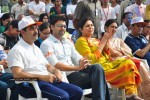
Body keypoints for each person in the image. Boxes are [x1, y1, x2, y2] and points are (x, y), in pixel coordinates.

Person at [7, 16, 83, 100]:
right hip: (29, 84)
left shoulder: (35, 47)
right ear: (23, 32)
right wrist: (41, 77)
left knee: (77, 91)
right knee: (63, 96)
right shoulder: (17, 50)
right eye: (32, 29)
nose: (36, 31)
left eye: (36, 28)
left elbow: (47, 65)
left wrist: (55, 70)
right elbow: (17, 74)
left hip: (45, 80)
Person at [40, 16, 110, 100]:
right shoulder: (47, 44)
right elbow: (56, 65)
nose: (63, 28)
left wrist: (84, 62)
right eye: (60, 26)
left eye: (64, 26)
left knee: (97, 67)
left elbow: (78, 57)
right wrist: (77, 67)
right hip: (64, 76)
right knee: (99, 78)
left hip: (76, 73)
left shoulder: (67, 42)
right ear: (52, 27)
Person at [75, 17, 143, 100]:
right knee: (129, 64)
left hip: (108, 64)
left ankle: (131, 93)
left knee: (130, 62)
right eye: (87, 26)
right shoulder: (81, 41)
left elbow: (106, 55)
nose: (91, 27)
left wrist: (106, 45)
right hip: (98, 69)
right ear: (81, 29)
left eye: (92, 25)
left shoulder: (95, 40)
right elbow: (91, 60)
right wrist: (103, 43)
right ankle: (130, 93)